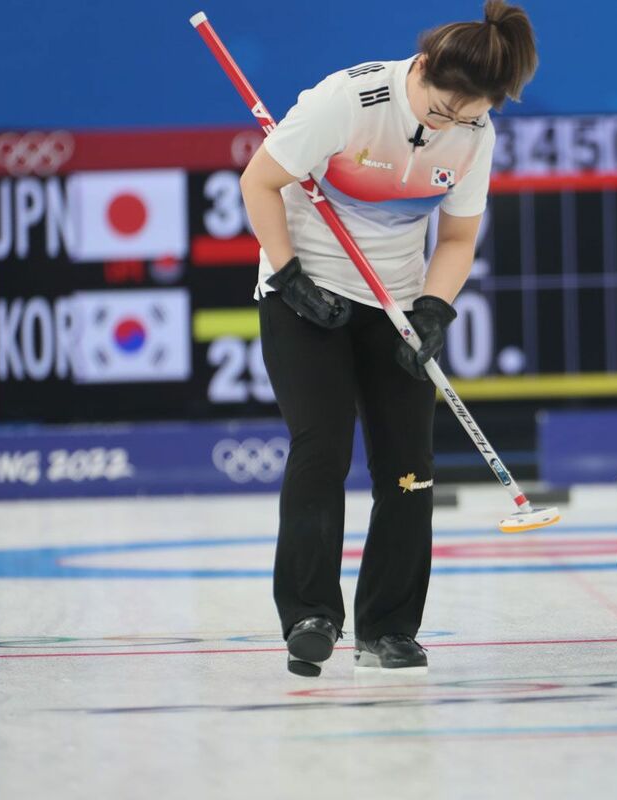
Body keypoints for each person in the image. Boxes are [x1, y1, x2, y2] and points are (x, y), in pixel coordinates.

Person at [239, 1, 538, 676]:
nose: (451, 128)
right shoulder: (346, 101)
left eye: (468, 118)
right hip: (305, 290)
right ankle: (310, 614)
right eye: (442, 112)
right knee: (322, 448)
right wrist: (288, 275)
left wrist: (434, 308)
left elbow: (458, 237)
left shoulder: (475, 131)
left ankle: (390, 627)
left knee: (409, 468)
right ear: (424, 69)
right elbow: (259, 181)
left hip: (397, 300)